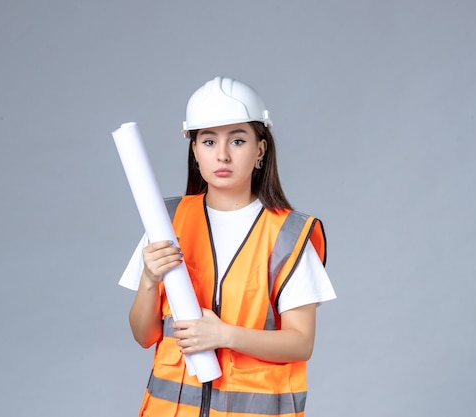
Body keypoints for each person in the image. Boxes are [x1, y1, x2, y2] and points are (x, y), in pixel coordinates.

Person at [118, 76, 336, 417]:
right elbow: (144, 336)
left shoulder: (287, 234)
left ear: (259, 150)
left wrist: (224, 335)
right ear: (194, 150)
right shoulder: (166, 222)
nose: (222, 155)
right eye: (208, 141)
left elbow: (300, 342)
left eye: (237, 140)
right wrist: (148, 280)